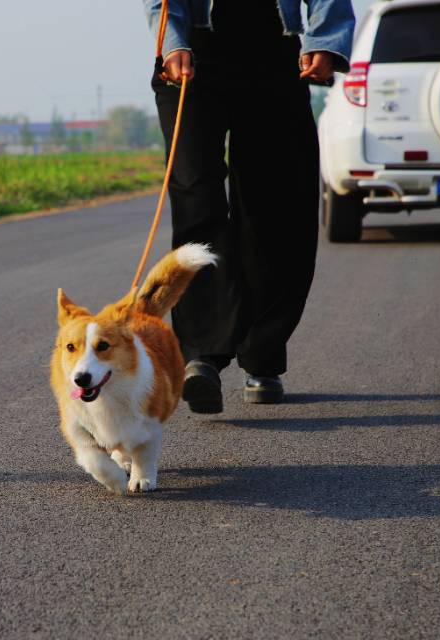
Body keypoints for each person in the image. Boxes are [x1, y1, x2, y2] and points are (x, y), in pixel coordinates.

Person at [141, 0, 356, 413]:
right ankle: (203, 354)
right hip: (191, 54)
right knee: (196, 200)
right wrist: (171, 42)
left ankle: (262, 353)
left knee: (274, 210)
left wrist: (325, 39)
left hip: (275, 53)